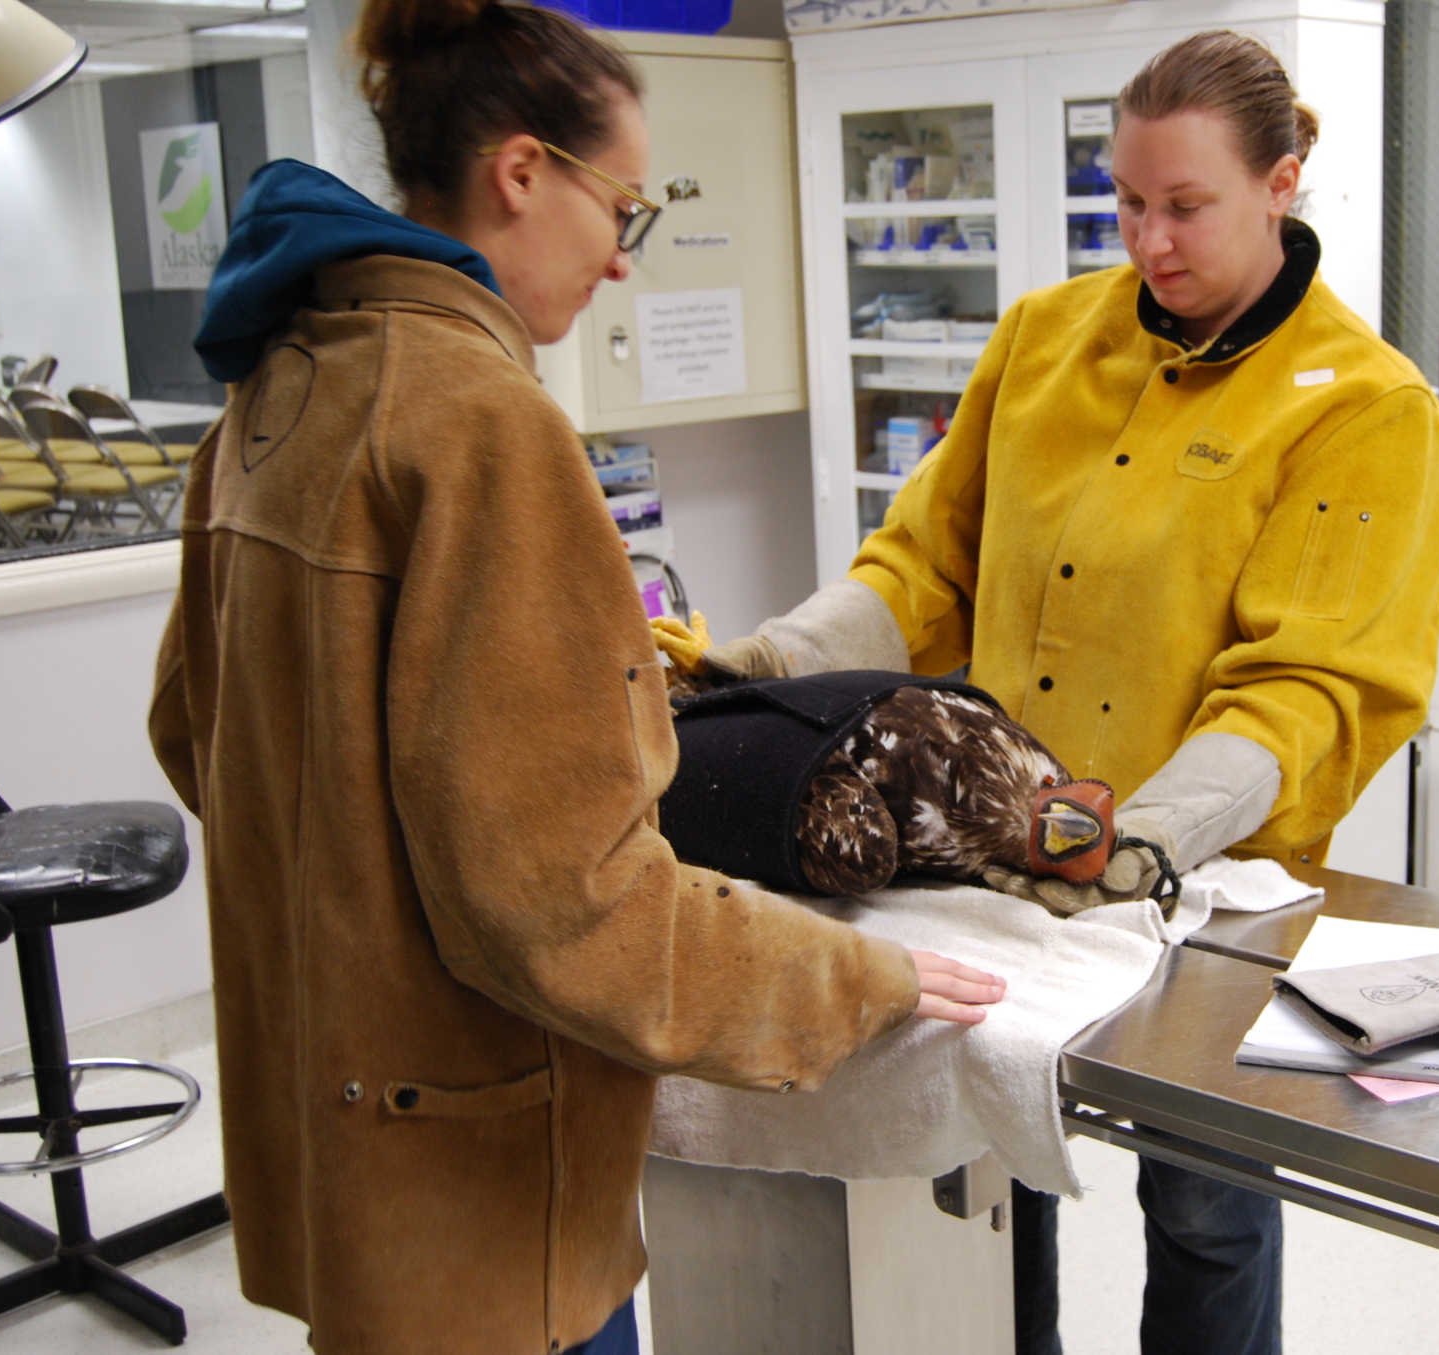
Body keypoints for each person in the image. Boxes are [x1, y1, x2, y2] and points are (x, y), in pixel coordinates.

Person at [148, 2, 1003, 1352]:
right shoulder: (482, 425)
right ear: (523, 173)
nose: (622, 264)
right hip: (478, 1170)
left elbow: (193, 732)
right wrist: (850, 977)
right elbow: (563, 903)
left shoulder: (280, 382)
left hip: (345, 1134)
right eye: (625, 210)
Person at [691, 30, 1439, 1355]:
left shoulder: (1368, 408)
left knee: (1207, 1202)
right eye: (1129, 203)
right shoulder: (1047, 340)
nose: (1150, 242)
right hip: (1001, 860)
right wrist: (777, 661)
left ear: (1283, 182)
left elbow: (1311, 688)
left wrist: (1140, 840)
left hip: (1205, 885)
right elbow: (926, 558)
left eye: (1187, 207)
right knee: (996, 1162)